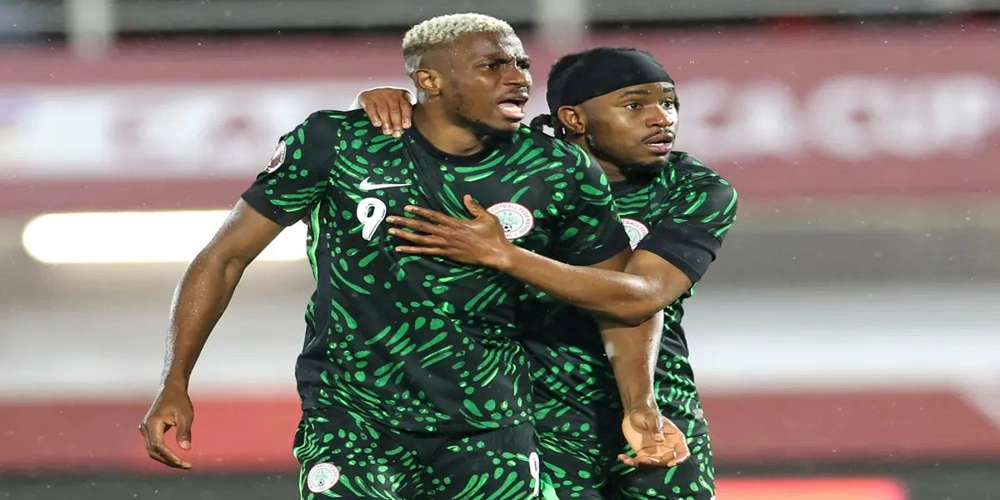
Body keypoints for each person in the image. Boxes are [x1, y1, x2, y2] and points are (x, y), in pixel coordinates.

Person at [138, 14, 687, 500]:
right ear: (430, 81)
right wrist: (175, 380)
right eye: (493, 65)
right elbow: (225, 257)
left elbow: (619, 297)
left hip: (491, 426)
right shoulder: (339, 143)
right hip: (352, 418)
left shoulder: (558, 168)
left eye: (521, 63)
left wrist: (640, 404)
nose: (519, 78)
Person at [353, 46, 737, 499]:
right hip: (529, 422)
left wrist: (505, 255)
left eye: (670, 103)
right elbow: (435, 139)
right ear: (574, 119)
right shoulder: (515, 171)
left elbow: (640, 296)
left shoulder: (693, 189)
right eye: (635, 105)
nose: (662, 118)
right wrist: (389, 105)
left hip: (657, 411)